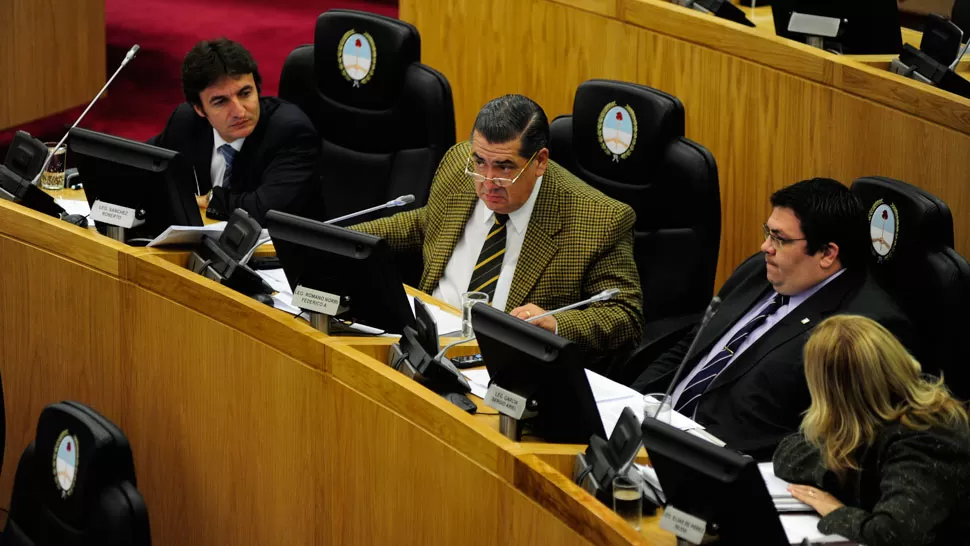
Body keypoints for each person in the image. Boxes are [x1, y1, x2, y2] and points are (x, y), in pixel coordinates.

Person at [631, 178, 912, 459]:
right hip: (655, 428)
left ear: (827, 253)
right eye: (768, 232)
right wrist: (631, 400)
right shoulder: (762, 269)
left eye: (780, 238)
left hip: (719, 460)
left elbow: (832, 439)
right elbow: (692, 346)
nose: (766, 246)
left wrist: (699, 454)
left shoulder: (859, 327)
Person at [353, 94, 643, 352]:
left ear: (540, 161)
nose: (487, 182)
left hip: (507, 359)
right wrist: (342, 239)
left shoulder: (598, 219)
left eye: (504, 167)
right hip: (428, 339)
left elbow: (624, 314)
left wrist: (555, 323)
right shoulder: (457, 165)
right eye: (480, 162)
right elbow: (424, 224)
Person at [773, 315, 970, 546]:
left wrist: (835, 510)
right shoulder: (880, 413)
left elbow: (894, 534)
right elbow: (787, 453)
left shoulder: (927, 437)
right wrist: (841, 468)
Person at [151, 38, 320, 224]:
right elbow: (143, 168)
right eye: (221, 102)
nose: (239, 112)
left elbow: (263, 210)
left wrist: (211, 200)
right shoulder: (186, 121)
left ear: (257, 89)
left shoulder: (291, 132)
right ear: (199, 109)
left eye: (245, 93)